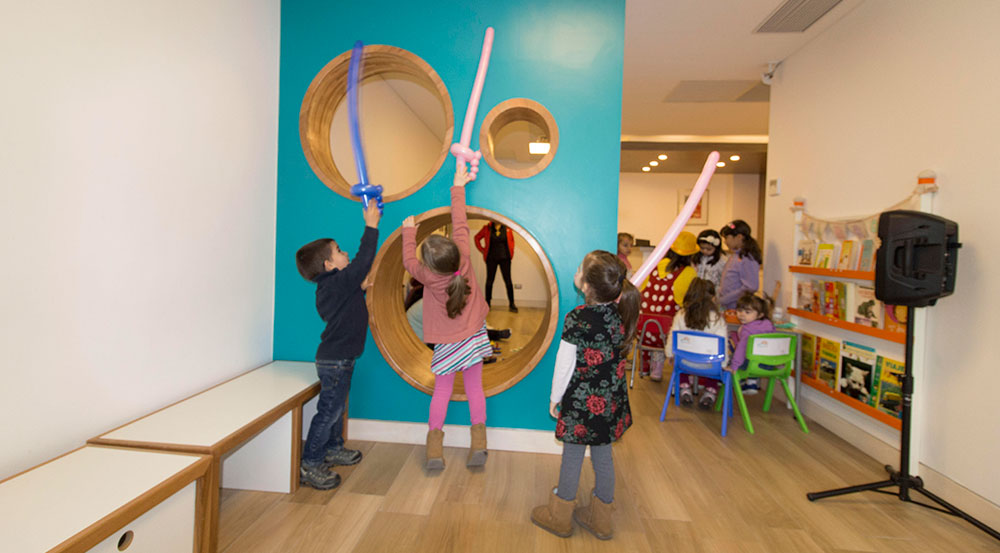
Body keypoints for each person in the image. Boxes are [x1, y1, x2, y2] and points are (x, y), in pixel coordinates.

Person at [530, 251, 638, 541]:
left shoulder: (577, 318)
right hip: (610, 402)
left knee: (572, 455)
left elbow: (564, 364)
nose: (576, 272)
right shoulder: (622, 314)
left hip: (581, 402)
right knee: (603, 457)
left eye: (579, 269)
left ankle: (560, 516)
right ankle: (601, 520)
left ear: (586, 285)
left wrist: (555, 398)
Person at [402, 166, 492, 470]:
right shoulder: (464, 256)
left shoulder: (426, 276)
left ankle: (434, 450)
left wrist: (409, 232)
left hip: (447, 343)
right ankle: (479, 443)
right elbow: (460, 221)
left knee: (442, 391)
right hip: (474, 335)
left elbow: (408, 261)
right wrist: (458, 185)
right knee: (475, 388)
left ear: (429, 267)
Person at [294, 201, 381, 490]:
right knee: (329, 411)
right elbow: (363, 261)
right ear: (329, 265)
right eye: (340, 251)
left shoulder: (334, 286)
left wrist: (359, 288)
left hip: (341, 359)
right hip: (336, 361)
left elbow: (347, 299)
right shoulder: (335, 284)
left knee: (336, 407)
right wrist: (371, 226)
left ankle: (332, 448)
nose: (345, 254)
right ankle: (310, 463)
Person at [636, 231, 699, 381]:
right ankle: (680, 373)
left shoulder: (653, 264)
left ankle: (647, 365)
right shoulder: (688, 272)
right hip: (667, 335)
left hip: (642, 331)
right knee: (680, 324)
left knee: (656, 323)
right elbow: (688, 301)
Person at [665, 278, 729, 408]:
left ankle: (684, 387)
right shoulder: (717, 320)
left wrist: (669, 355)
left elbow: (672, 337)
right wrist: (723, 364)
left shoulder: (681, 315)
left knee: (682, 353)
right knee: (714, 357)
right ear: (712, 298)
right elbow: (722, 347)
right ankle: (710, 391)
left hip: (684, 364)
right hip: (709, 366)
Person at [727, 292, 776, 379]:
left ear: (760, 315)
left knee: (727, 360)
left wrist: (734, 366)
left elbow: (741, 349)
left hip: (753, 365)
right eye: (739, 310)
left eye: (747, 312)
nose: (742, 314)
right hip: (771, 365)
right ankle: (751, 382)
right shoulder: (770, 325)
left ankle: (735, 382)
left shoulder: (747, 330)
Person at [475, 220, 518, 312]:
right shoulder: (487, 228)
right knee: (489, 281)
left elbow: (512, 241)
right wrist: (482, 249)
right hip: (491, 259)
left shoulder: (507, 228)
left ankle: (512, 304)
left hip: (505, 259)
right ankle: (487, 303)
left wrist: (511, 252)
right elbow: (477, 238)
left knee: (508, 281)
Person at [718, 220, 762, 310]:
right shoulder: (735, 255)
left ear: (739, 237)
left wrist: (724, 299)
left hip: (738, 308)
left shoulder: (747, 258)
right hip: (728, 306)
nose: (725, 242)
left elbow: (750, 287)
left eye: (726, 238)